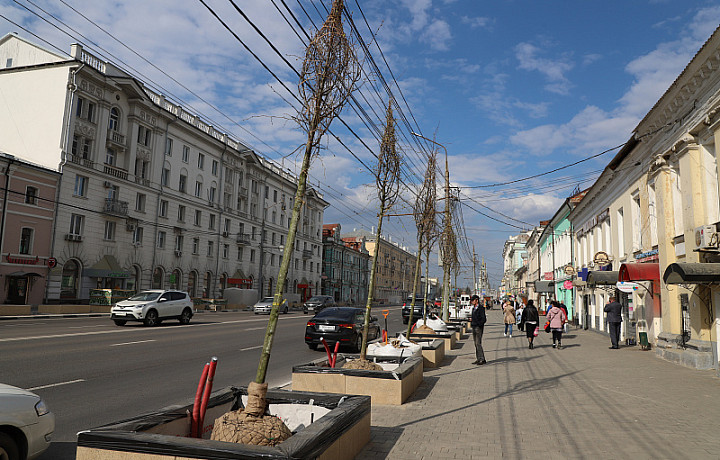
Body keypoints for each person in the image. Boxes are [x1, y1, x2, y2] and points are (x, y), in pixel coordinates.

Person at [470, 294, 487, 365]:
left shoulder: (481, 308)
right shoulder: (473, 308)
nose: (471, 302)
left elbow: (484, 319)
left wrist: (479, 324)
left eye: (473, 300)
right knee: (475, 344)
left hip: (478, 328)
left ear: (476, 300)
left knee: (478, 343)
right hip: (474, 327)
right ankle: (478, 358)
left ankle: (482, 359)